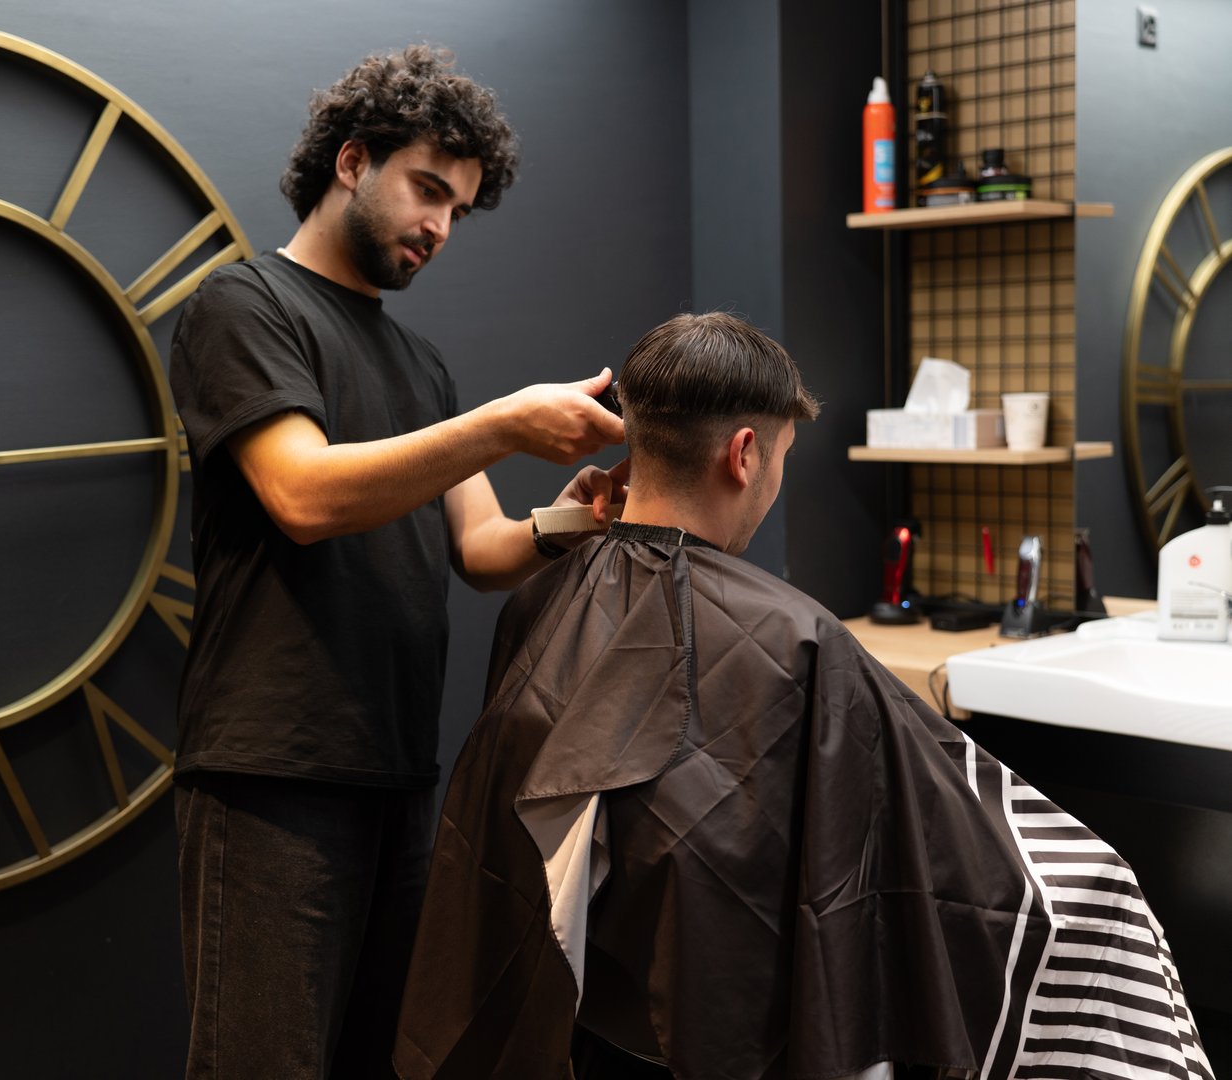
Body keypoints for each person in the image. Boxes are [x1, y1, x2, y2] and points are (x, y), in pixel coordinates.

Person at [393, 313, 1212, 1080]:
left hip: (585, 1012)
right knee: (1106, 891)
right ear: (744, 453)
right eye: (781, 457)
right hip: (719, 1026)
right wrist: (1105, 889)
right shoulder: (797, 641)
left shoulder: (544, 599)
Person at [167, 46, 628, 1079]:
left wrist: (571, 519)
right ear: (351, 160)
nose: (437, 228)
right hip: (268, 773)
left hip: (398, 772)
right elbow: (300, 493)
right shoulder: (241, 309)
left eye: (458, 211)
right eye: (427, 191)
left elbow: (479, 549)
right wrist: (505, 423)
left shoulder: (417, 365)